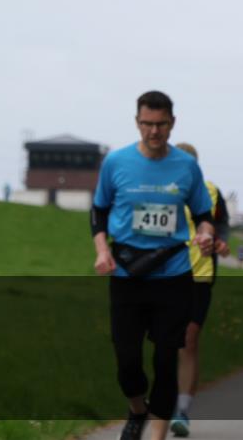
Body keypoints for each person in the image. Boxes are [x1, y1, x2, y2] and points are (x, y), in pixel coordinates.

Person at [91, 91, 216, 440]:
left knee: (165, 360)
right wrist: (102, 250)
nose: (154, 132)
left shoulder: (186, 166)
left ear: (172, 123)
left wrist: (205, 234)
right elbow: (98, 211)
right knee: (127, 362)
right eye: (147, 124)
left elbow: (205, 216)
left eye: (161, 125)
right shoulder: (116, 163)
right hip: (127, 272)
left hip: (173, 274)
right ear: (137, 123)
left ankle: (157, 435)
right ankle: (136, 410)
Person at [168, 143, 231, 437]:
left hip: (199, 275)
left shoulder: (211, 191)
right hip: (163, 274)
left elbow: (223, 224)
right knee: (163, 341)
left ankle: (181, 409)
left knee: (189, 341)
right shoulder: (160, 189)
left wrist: (221, 241)